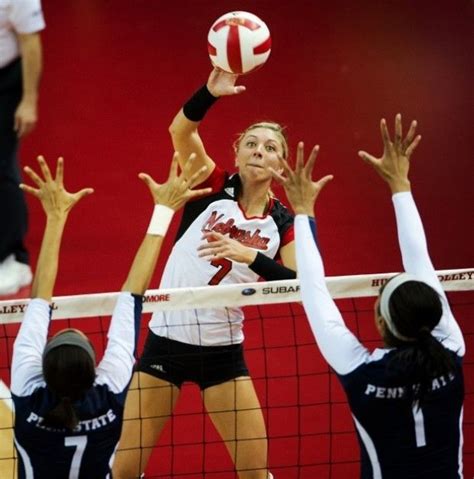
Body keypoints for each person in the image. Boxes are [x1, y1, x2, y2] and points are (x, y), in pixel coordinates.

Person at [114, 69, 302, 479]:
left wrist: (249, 257)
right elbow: (180, 130)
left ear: (280, 163)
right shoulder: (211, 186)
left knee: (256, 473)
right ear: (236, 153)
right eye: (250, 143)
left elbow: (299, 283)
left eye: (270, 147)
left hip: (223, 355)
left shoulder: (284, 221)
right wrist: (210, 93)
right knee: (124, 471)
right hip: (165, 346)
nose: (258, 150)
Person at [272, 115, 465, 478]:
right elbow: (420, 262)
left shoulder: (363, 374)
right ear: (433, 315)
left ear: (381, 321)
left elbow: (312, 290)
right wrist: (400, 183)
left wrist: (302, 211)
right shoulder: (450, 353)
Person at [10, 153, 211, 478]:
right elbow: (132, 293)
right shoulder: (107, 393)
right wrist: (163, 210)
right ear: (93, 370)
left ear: (43, 371)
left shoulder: (30, 393)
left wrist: (55, 217)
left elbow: (39, 299)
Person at [0, 0, 45, 296]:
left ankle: (12, 256)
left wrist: (28, 100)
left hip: (5, 82)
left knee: (1, 167)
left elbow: (30, 42)